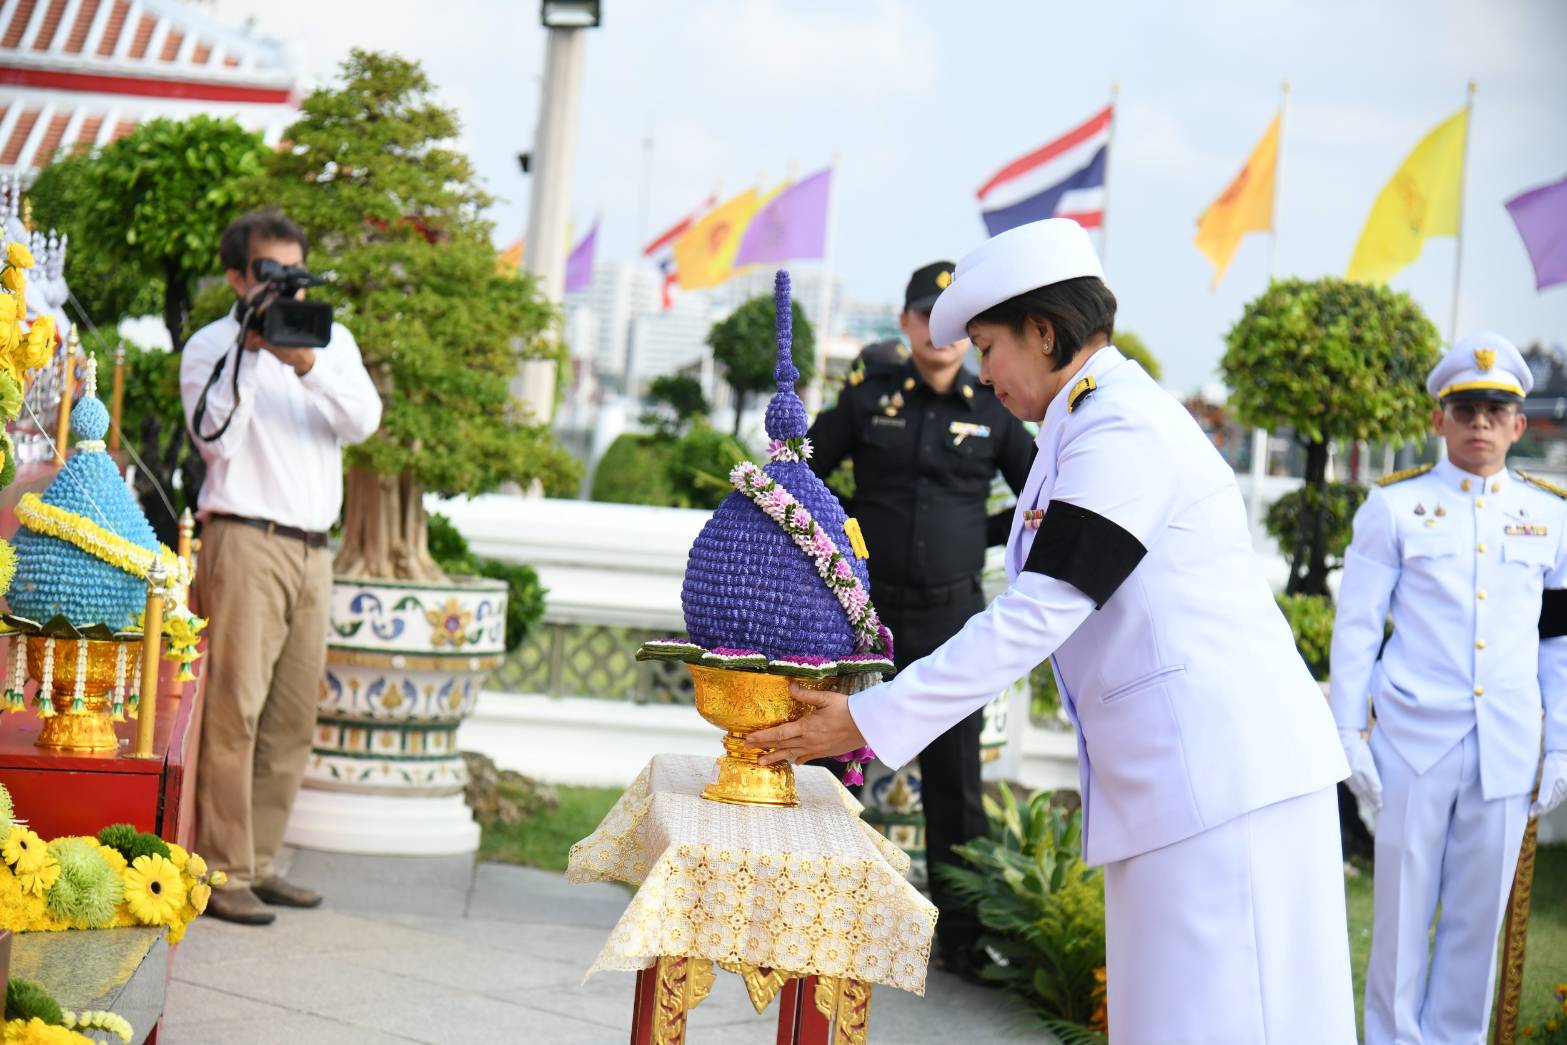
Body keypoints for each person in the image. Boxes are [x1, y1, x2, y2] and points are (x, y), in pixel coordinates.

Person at [752, 218, 1355, 1041]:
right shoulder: (1076, 424)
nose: (981, 370)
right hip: (1178, 785)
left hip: (1225, 783)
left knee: (1226, 1022)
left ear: (1042, 331)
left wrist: (867, 716)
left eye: (988, 345)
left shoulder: (1123, 426)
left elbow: (1040, 609)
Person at [1329, 334, 1567, 1044]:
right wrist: (1347, 733)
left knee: (1476, 921)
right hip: (1413, 739)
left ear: (1518, 425)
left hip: (1506, 742)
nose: (1479, 423)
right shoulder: (1394, 507)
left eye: (1495, 411)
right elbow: (1356, 629)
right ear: (1439, 419)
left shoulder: (1552, 514)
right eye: (1465, 409)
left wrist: (1559, 744)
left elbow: (1557, 644)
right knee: (1401, 916)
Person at [806, 260, 1035, 980]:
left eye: (954, 324)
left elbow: (1042, 495)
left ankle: (964, 938)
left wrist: (977, 535)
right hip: (863, 612)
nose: (939, 335)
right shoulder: (868, 396)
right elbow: (802, 472)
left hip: (949, 614)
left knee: (954, 775)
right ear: (906, 324)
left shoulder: (993, 408)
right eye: (924, 318)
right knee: (831, 756)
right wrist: (844, 534)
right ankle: (808, 905)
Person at [180, 210, 382, 925]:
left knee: (293, 716)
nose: (286, 286)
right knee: (233, 711)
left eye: (295, 272)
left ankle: (261, 862)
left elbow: (364, 422)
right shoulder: (211, 346)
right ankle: (222, 869)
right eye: (271, 273)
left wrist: (306, 363)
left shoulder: (333, 341)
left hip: (314, 548)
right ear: (238, 276)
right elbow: (214, 441)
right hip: (245, 539)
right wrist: (252, 352)